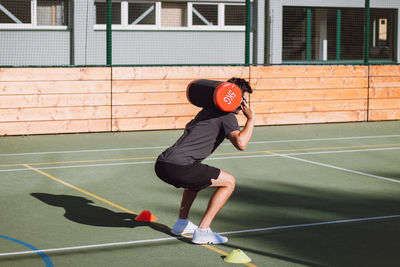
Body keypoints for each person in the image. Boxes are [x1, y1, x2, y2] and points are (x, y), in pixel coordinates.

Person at [154, 77, 255, 244]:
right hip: (179, 166)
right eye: (242, 98)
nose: (243, 102)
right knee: (229, 182)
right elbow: (241, 143)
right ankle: (203, 231)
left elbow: (188, 127)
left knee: (195, 181)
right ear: (233, 96)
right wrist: (251, 119)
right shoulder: (227, 116)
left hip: (163, 163)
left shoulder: (206, 110)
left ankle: (182, 223)